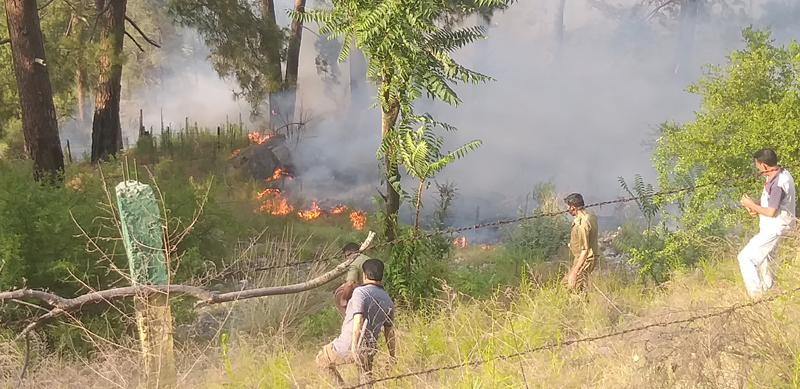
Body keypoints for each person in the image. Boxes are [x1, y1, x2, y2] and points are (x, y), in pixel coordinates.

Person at [317, 258, 396, 387]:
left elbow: (358, 320)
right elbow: (389, 332)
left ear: (364, 275)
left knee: (322, 360)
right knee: (365, 380)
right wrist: (392, 355)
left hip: (350, 344)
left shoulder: (360, 292)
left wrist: (354, 348)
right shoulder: (387, 299)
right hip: (369, 347)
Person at [738, 148, 796, 297]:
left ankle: (757, 297)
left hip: (776, 228)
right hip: (776, 226)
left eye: (757, 164)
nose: (757, 167)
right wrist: (753, 203)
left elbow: (771, 211)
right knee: (766, 262)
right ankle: (770, 294)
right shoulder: (780, 174)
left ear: (764, 165)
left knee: (745, 258)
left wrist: (751, 205)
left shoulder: (778, 184)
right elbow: (772, 203)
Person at [563, 193, 599, 292]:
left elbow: (585, 252)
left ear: (573, 208)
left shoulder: (582, 225)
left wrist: (574, 272)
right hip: (586, 256)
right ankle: (584, 305)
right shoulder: (589, 213)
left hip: (585, 259)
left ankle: (576, 305)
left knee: (567, 285)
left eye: (568, 208)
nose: (567, 210)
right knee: (581, 287)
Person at [333, 242, 372, 316]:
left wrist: (343, 299)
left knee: (341, 290)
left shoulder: (354, 263)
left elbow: (350, 283)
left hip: (366, 292)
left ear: (347, 254)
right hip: (376, 289)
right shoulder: (367, 258)